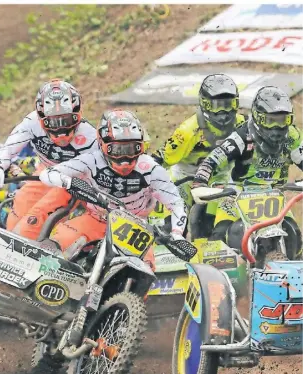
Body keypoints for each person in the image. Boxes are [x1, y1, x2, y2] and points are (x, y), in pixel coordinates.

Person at [39, 109, 187, 257]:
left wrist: (177, 233)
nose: (124, 158)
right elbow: (47, 174)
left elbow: (176, 203)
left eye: (131, 149)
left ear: (141, 146)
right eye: (117, 149)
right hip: (96, 219)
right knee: (59, 242)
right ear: (103, 144)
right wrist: (70, 183)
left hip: (134, 229)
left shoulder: (151, 169)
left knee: (146, 268)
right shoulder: (91, 160)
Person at [192, 86, 302, 254]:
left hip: (274, 195)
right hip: (237, 195)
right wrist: (199, 181)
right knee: (223, 235)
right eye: (270, 120)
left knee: (293, 233)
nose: (277, 128)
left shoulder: (293, 137)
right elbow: (212, 160)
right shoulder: (242, 136)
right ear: (258, 118)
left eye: (282, 120)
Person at [0, 79, 98, 240]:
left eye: (67, 120)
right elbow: (10, 147)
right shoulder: (31, 122)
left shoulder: (89, 136)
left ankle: (29, 254)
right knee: (18, 210)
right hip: (44, 170)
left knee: (35, 219)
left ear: (78, 114)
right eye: (53, 121)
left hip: (70, 181)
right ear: (41, 117)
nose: (61, 129)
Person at [150, 74, 245, 237]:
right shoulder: (188, 131)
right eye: (217, 106)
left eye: (229, 105)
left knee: (212, 229)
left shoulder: (242, 124)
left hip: (218, 181)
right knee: (171, 229)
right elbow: (159, 159)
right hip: (185, 179)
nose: (224, 112)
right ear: (205, 104)